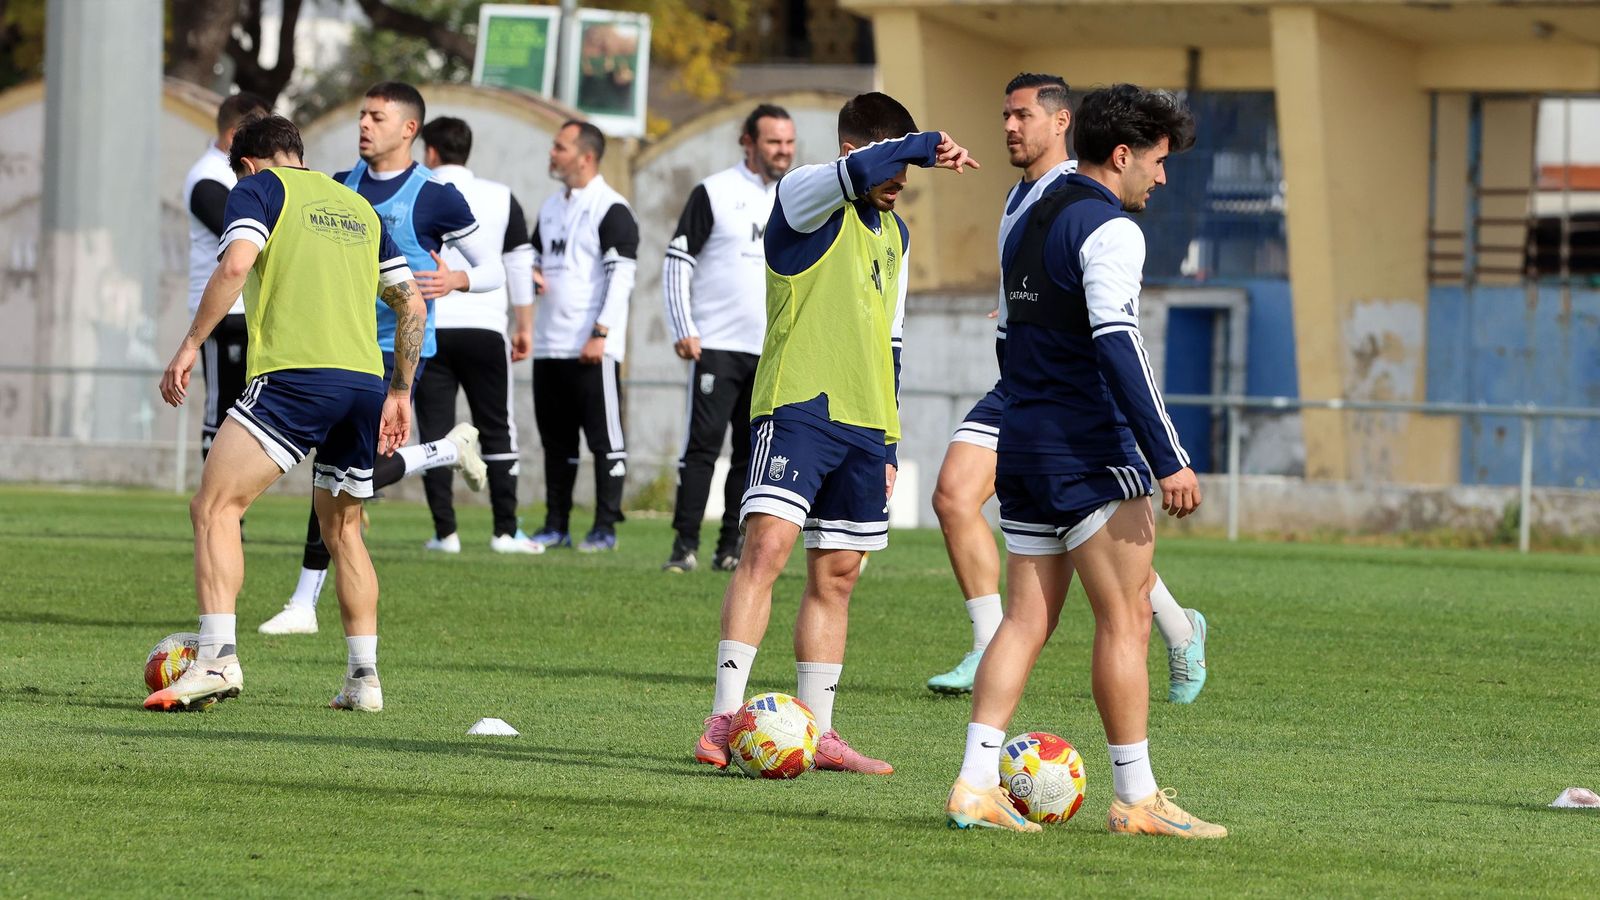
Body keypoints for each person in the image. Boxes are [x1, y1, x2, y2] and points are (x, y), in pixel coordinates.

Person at [943, 84, 1226, 837]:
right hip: (1088, 446)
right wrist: (1169, 457)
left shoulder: (1028, 211)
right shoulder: (1112, 231)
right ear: (1124, 155)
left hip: (1024, 440)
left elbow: (1009, 332)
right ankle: (1136, 798)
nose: (1161, 180)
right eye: (1159, 163)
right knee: (1127, 619)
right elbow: (1118, 342)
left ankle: (974, 784)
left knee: (1025, 620)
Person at [692, 92, 979, 775]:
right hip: (798, 406)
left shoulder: (895, 234)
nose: (900, 185)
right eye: (893, 169)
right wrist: (930, 140)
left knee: (839, 574)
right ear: (855, 152)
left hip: (865, 421)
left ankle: (817, 732)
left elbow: (894, 339)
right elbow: (860, 174)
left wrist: (888, 441)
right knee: (765, 550)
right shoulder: (802, 196)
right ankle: (724, 717)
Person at [146, 114, 424, 713]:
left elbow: (237, 264)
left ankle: (217, 659)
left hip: (297, 377)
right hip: (364, 382)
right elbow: (412, 303)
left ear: (248, 163)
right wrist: (400, 388)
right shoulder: (357, 206)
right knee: (343, 531)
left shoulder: (260, 188)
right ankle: (363, 679)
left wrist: (190, 345)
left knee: (215, 506)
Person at [259, 81, 503, 636]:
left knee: (338, 476)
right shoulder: (341, 186)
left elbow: (495, 268)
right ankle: (444, 450)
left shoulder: (435, 195)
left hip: (396, 357)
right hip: (339, 344)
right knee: (343, 477)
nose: (364, 125)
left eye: (376, 116)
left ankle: (303, 602)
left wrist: (458, 278)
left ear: (409, 130)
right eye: (361, 114)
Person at [661, 104, 796, 573]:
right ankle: (684, 546)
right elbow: (678, 259)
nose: (784, 151)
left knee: (751, 454)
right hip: (716, 344)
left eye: (789, 142)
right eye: (774, 141)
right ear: (749, 142)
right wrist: (685, 327)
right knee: (702, 448)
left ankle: (730, 547)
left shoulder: (797, 197)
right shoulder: (715, 192)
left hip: (773, 349)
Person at [413, 116, 542, 555]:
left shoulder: (415, 190)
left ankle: (445, 534)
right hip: (486, 327)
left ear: (430, 151)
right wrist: (523, 326)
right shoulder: (502, 196)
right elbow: (519, 265)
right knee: (497, 427)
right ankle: (505, 530)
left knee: (433, 432)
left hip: (430, 325)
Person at [528, 121, 639, 552]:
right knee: (557, 445)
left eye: (560, 146)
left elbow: (621, 277)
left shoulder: (611, 208)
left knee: (605, 441)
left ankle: (604, 529)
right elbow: (535, 258)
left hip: (593, 348)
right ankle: (556, 525)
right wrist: (532, 275)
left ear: (585, 157)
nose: (552, 153)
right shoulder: (552, 206)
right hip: (549, 345)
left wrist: (600, 332)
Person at [181, 91, 271, 462]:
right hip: (223, 310)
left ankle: (231, 507)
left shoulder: (249, 175)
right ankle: (216, 511)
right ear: (236, 135)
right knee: (223, 407)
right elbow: (238, 239)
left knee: (249, 412)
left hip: (251, 307)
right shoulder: (208, 177)